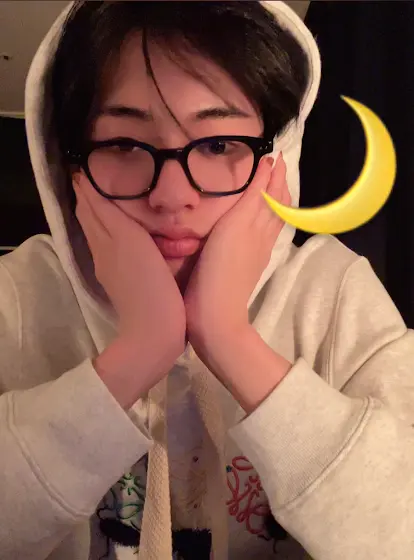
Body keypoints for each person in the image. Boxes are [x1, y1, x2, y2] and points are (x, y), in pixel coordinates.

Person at [1, 1, 414, 559]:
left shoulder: (334, 295)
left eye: (219, 145)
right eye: (124, 145)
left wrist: (228, 337)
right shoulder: (18, 295)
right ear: (71, 167)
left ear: (276, 158)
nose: (172, 196)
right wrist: (140, 351)